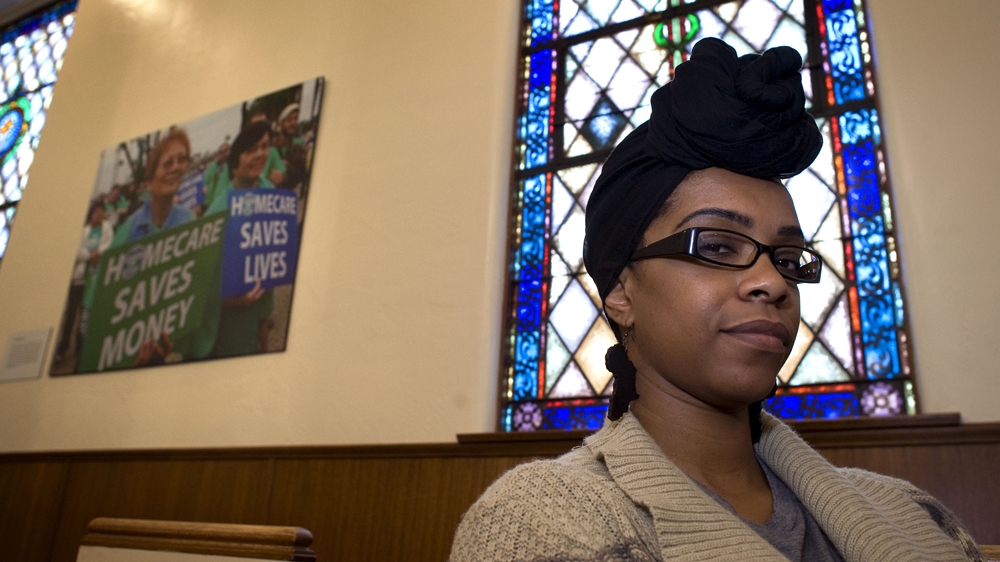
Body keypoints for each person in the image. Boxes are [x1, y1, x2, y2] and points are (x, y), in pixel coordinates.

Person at [449, 39, 983, 562]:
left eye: (788, 256)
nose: (772, 283)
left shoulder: (909, 512)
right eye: (719, 245)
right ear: (619, 292)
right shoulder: (546, 521)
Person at [204, 120, 277, 357]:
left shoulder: (271, 194)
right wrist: (236, 301)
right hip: (228, 330)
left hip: (260, 314)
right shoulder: (217, 213)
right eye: (250, 150)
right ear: (234, 166)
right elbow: (202, 290)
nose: (260, 155)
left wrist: (264, 323)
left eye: (264, 146)